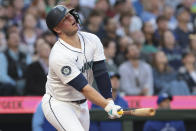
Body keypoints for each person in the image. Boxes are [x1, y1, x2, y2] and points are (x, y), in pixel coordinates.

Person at [42, 5, 123, 131]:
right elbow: (83, 87)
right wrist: (107, 106)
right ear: (57, 28)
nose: (71, 18)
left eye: (70, 15)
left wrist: (109, 100)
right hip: (60, 103)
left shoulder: (92, 39)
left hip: (82, 103)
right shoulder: (59, 55)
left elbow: (101, 73)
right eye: (65, 19)